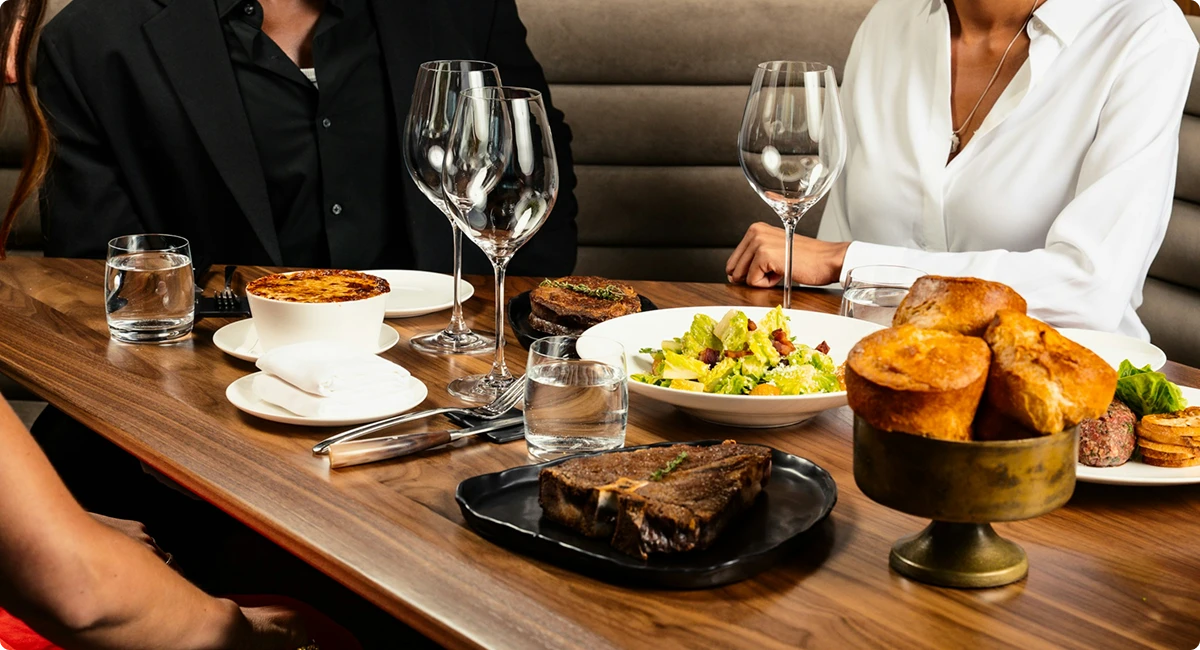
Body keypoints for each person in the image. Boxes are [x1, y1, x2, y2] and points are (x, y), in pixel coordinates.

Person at [0, 2, 309, 646]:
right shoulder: (90, 37)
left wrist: (57, 529)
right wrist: (261, 635)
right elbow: (84, 597)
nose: (10, 71)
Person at [726, 0, 1198, 340]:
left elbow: (1089, 290)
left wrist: (847, 260)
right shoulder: (890, 20)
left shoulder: (1145, 33)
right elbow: (838, 288)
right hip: (883, 383)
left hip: (1061, 405)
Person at [35, 0, 578, 276]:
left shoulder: (464, 9)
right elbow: (94, 277)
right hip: (197, 395)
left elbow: (533, 189)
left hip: (439, 388)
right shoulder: (89, 40)